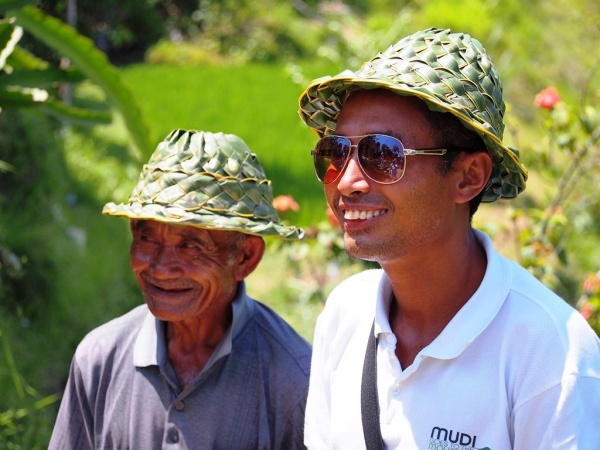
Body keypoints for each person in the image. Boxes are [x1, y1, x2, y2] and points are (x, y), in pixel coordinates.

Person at [297, 27, 600, 449]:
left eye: (383, 154)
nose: (347, 181)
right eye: (335, 152)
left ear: (468, 177)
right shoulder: (345, 314)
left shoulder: (551, 354)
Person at [49, 129, 311, 449]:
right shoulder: (99, 359)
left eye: (190, 246)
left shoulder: (294, 381)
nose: (160, 268)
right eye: (147, 239)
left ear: (245, 257)